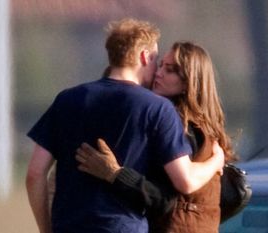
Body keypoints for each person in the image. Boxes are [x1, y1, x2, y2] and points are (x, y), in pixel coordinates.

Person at [26, 18, 223, 233]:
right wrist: (216, 161)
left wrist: (47, 229)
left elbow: (35, 174)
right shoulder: (158, 109)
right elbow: (184, 181)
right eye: (157, 61)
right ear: (144, 56)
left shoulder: (66, 99)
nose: (157, 71)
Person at [76, 41, 237, 233]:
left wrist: (115, 174)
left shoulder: (178, 125)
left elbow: (163, 197)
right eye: (160, 65)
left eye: (170, 70)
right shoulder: (206, 129)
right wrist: (215, 161)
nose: (158, 73)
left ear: (189, 81)